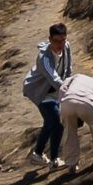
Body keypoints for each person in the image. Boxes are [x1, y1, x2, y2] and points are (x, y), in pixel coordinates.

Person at [24, 21, 74, 166]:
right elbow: (53, 78)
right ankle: (54, 158)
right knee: (57, 122)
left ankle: (38, 154)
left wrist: (69, 83)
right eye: (56, 41)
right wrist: (67, 89)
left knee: (50, 122)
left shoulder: (67, 47)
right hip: (40, 91)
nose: (60, 44)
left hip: (57, 91)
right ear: (50, 39)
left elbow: (68, 68)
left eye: (63, 40)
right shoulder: (44, 57)